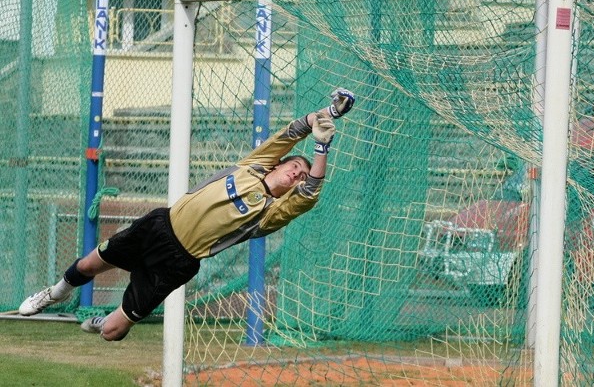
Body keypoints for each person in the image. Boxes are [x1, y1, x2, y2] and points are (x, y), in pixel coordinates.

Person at [19, 88, 355, 341]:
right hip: (157, 225)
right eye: (294, 165)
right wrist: (327, 112)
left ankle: (105, 320)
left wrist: (321, 148)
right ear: (280, 162)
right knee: (91, 264)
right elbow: (296, 129)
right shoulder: (252, 165)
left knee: (113, 332)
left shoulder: (269, 213)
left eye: (299, 175)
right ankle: (55, 293)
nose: (297, 173)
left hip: (178, 261)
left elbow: (310, 192)